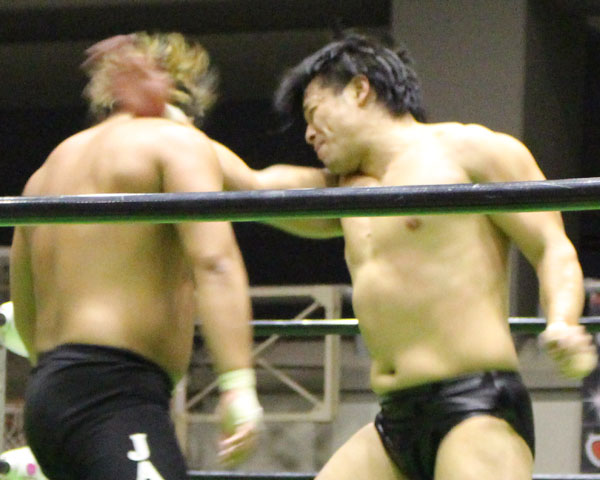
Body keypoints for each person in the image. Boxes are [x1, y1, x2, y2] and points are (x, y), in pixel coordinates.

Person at [219, 33, 598, 480]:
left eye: (314, 113)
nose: (308, 133)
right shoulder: (343, 192)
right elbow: (249, 185)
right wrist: (171, 128)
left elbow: (551, 245)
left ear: (360, 90)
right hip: (394, 419)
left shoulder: (470, 152)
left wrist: (562, 321)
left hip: (475, 409)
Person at [9, 32, 263, 480]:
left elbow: (27, 311)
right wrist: (238, 386)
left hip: (49, 398)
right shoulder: (175, 144)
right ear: (179, 95)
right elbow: (215, 261)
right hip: (114, 398)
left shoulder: (49, 168)